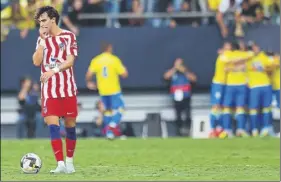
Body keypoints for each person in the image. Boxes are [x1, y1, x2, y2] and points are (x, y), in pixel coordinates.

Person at [32, 6, 78, 174]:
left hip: (67, 89)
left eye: (44, 20)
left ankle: (70, 162)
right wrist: (42, 44)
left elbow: (70, 61)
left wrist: (53, 71)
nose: (41, 24)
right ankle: (60, 164)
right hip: (49, 91)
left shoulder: (68, 36)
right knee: (53, 127)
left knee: (70, 126)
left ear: (52, 19)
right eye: (39, 21)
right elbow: (36, 62)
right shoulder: (41, 39)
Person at [85, 42, 128, 139]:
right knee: (121, 109)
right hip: (114, 90)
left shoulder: (96, 60)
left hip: (103, 91)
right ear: (109, 48)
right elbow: (124, 74)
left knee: (108, 111)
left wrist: (89, 83)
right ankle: (112, 125)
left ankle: (109, 133)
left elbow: (88, 74)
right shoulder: (114, 59)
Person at [163, 58, 197, 136]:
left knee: (187, 114)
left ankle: (188, 130)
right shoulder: (173, 73)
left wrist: (184, 71)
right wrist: (175, 68)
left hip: (186, 96)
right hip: (176, 96)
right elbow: (166, 77)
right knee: (178, 115)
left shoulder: (186, 72)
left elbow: (194, 79)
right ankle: (178, 131)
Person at [246, 42, 273, 137]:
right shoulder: (247, 58)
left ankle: (266, 129)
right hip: (254, 86)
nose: (254, 49)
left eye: (255, 46)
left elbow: (271, 67)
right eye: (252, 47)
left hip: (265, 84)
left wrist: (265, 68)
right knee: (253, 109)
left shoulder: (263, 56)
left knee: (266, 108)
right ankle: (254, 130)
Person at [209, 42, 232, 138]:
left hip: (224, 84)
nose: (228, 51)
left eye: (230, 49)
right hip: (218, 84)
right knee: (216, 106)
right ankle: (212, 130)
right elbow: (235, 60)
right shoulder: (223, 57)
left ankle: (220, 129)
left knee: (222, 107)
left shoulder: (226, 58)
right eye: (227, 48)